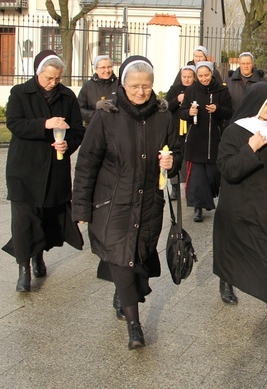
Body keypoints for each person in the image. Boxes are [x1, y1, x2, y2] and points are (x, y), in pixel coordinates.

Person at [72, 55, 181, 350]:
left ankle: (123, 293)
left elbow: (177, 155)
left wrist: (172, 162)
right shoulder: (106, 117)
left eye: (146, 86)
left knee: (138, 255)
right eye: (134, 86)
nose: (140, 92)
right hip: (112, 203)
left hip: (149, 203)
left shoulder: (164, 117)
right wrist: (80, 207)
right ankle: (135, 325)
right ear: (123, 84)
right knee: (122, 257)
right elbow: (86, 163)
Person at [212, 82, 267, 325]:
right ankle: (227, 279)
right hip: (244, 206)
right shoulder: (236, 131)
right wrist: (250, 149)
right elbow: (227, 169)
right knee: (238, 252)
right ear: (256, 103)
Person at [3, 50, 85, 293]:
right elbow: (14, 123)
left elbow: (77, 130)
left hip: (54, 167)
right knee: (23, 220)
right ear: (38, 73)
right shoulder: (20, 92)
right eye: (49, 78)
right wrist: (44, 124)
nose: (53, 83)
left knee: (47, 217)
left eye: (58, 78)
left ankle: (38, 255)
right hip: (24, 169)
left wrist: (67, 143)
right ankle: (23, 268)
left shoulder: (67, 96)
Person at [179, 61, 233, 222]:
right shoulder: (191, 90)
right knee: (196, 176)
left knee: (211, 174)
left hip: (214, 139)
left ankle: (207, 199)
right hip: (196, 139)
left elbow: (229, 112)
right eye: (201, 76)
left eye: (206, 75)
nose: (204, 79)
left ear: (212, 74)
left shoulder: (222, 90)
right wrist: (189, 112)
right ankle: (198, 207)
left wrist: (218, 109)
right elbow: (182, 113)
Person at [164, 65, 197, 199]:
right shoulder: (174, 89)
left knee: (190, 159)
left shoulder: (196, 89)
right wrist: (176, 100)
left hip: (191, 128)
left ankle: (191, 188)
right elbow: (166, 106)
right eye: (184, 77)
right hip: (176, 128)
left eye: (189, 77)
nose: (187, 79)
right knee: (176, 156)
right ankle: (175, 188)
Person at [77, 55, 117, 124]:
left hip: (115, 126)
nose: (107, 70)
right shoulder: (88, 86)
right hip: (93, 126)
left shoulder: (119, 85)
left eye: (109, 67)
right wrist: (95, 115)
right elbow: (79, 109)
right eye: (103, 67)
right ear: (96, 69)